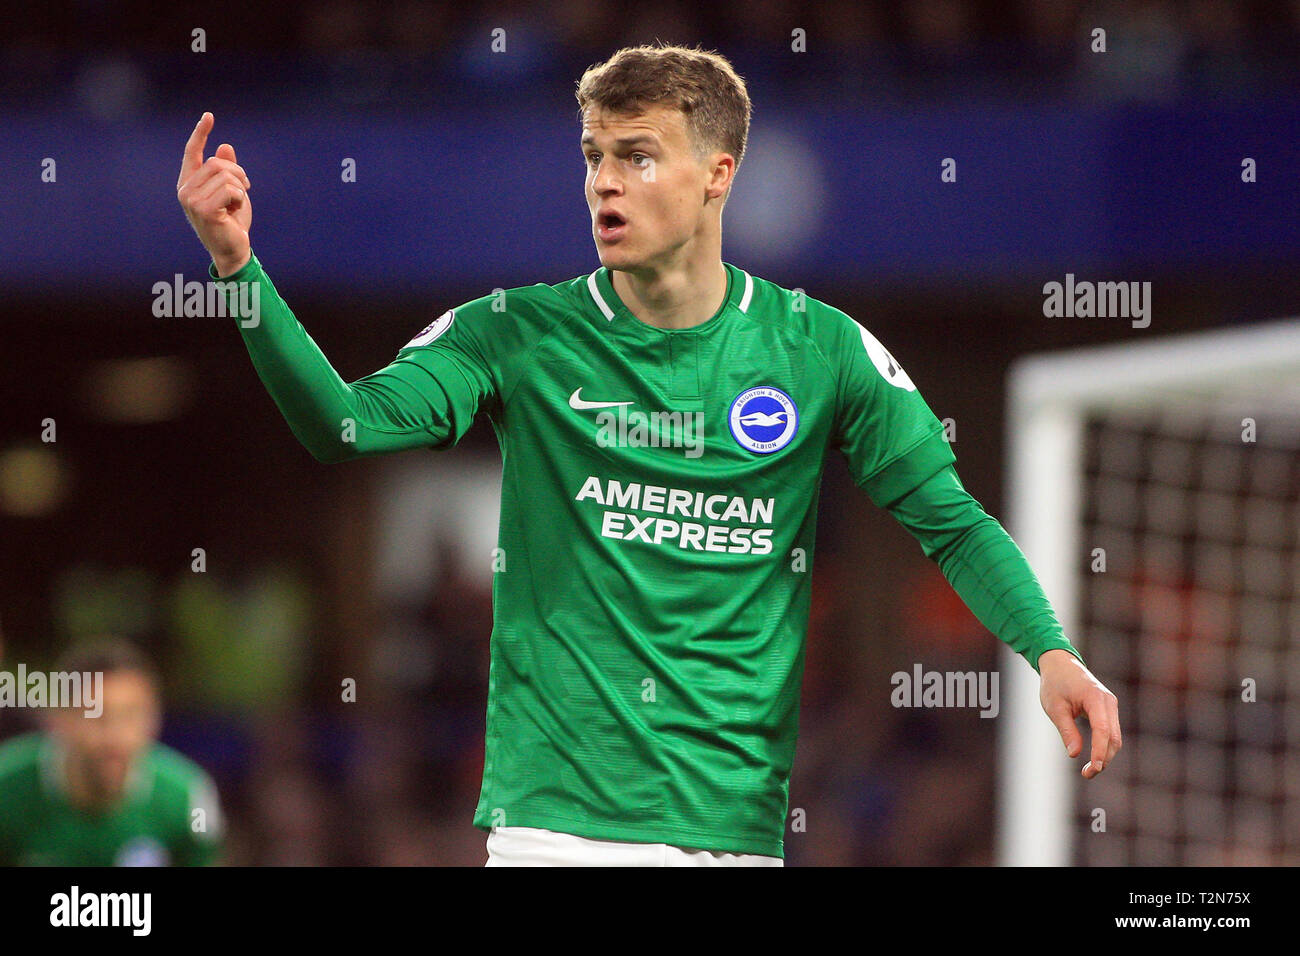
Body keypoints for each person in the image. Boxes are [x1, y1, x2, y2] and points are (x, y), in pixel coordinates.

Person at [177, 43, 1120, 866]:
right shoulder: (517, 335)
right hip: (558, 830)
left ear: (718, 174)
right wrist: (236, 270)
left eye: (636, 157)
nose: (603, 183)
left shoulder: (820, 350)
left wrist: (1050, 650)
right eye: (593, 157)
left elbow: (949, 524)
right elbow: (343, 425)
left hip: (737, 832)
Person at [0, 639, 222, 866]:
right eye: (96, 715)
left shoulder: (188, 799)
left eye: (131, 715)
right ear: (58, 718)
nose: (116, 736)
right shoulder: (6, 788)